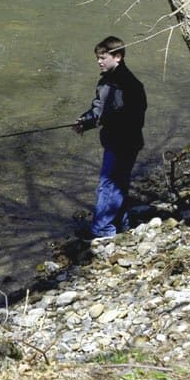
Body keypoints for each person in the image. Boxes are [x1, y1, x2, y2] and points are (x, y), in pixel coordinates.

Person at [72, 36, 146, 239]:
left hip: (122, 142)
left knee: (108, 184)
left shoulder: (123, 85)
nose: (99, 61)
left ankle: (102, 230)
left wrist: (92, 121)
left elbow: (113, 113)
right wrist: (85, 122)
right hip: (123, 141)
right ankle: (120, 226)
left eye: (103, 57)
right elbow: (100, 109)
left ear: (118, 57)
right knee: (118, 184)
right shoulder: (112, 80)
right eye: (97, 57)